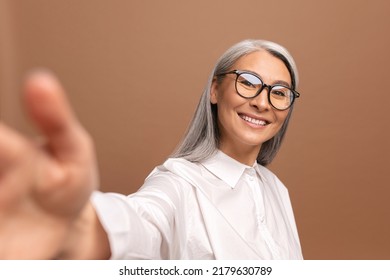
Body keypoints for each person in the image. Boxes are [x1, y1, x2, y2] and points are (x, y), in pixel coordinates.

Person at [0, 39, 302, 259]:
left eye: (279, 92)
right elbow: (142, 221)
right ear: (214, 90)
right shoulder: (178, 183)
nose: (262, 102)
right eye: (248, 82)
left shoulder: (276, 189)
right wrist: (80, 228)